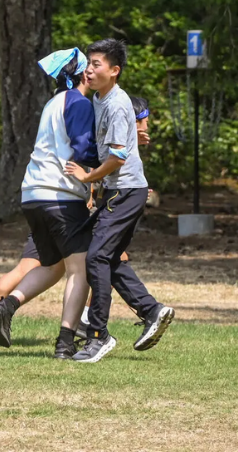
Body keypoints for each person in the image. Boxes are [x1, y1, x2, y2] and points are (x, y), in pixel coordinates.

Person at [0, 87, 154, 352]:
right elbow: (90, 154)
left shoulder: (56, 105)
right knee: (94, 262)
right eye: (140, 122)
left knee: (43, 268)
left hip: (39, 196)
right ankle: (75, 330)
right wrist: (124, 145)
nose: (144, 127)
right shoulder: (84, 108)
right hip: (63, 202)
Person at [64, 39, 174, 363]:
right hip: (119, 191)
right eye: (89, 63)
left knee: (96, 257)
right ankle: (152, 311)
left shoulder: (115, 103)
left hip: (125, 191)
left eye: (97, 64)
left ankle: (98, 335)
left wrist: (88, 178)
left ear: (114, 71)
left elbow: (117, 158)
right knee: (110, 260)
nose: (90, 69)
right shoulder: (100, 99)